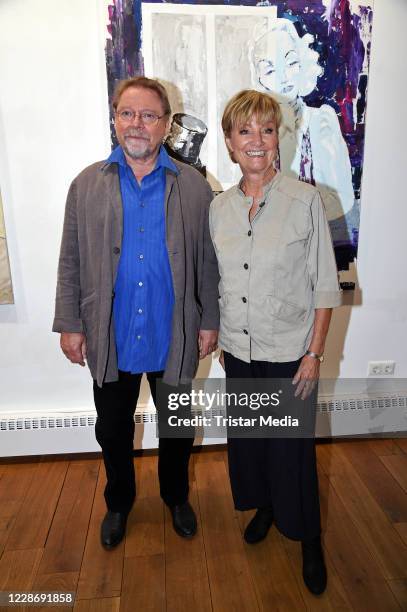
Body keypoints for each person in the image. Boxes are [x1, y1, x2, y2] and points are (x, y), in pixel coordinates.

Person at [53, 76, 219, 549]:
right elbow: (71, 259)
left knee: (178, 428)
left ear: (165, 124)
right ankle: (119, 503)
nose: (137, 124)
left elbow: (208, 261)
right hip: (112, 335)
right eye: (128, 113)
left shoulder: (193, 186)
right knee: (112, 430)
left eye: (149, 115)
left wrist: (209, 320)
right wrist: (69, 323)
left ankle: (175, 497)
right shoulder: (86, 185)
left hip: (175, 334)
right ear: (115, 119)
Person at [209, 89, 341, 595]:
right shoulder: (219, 209)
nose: (257, 141)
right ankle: (264, 507)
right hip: (239, 349)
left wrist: (314, 354)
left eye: (266, 129)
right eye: (245, 132)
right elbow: (219, 279)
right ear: (230, 143)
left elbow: (324, 284)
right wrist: (220, 334)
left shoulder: (306, 201)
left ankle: (307, 536)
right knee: (251, 441)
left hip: (290, 351)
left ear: (277, 138)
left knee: (292, 451)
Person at [250, 17, 354, 224]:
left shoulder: (320, 121)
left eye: (291, 62)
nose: (284, 77)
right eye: (270, 70)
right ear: (259, 78)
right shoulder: (254, 132)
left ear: (304, 63)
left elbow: (341, 199)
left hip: (316, 241)